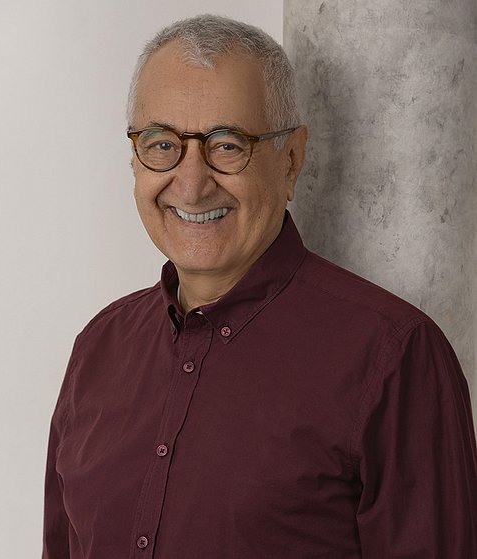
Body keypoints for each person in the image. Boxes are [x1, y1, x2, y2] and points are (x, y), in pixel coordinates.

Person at [43, 14, 477, 559]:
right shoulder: (96, 350)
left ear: (291, 160)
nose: (192, 185)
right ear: (136, 159)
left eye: (227, 145)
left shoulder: (394, 355)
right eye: (162, 143)